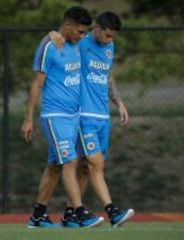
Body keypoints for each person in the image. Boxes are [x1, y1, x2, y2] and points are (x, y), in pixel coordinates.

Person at [21, 6, 104, 228]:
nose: (82, 36)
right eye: (78, 31)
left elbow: (100, 39)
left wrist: (53, 31)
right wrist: (28, 118)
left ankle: (38, 215)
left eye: (84, 32)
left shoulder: (78, 43)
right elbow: (36, 84)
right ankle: (79, 212)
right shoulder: (49, 46)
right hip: (54, 115)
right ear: (67, 26)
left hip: (74, 117)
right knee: (70, 162)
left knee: (55, 166)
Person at [50, 11, 135, 227]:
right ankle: (112, 212)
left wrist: (120, 103)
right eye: (106, 35)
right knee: (95, 163)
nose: (109, 41)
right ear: (96, 29)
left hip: (102, 116)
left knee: (87, 168)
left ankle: (70, 213)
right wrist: (51, 33)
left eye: (112, 37)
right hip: (83, 115)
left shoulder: (109, 48)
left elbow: (108, 78)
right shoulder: (81, 43)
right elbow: (59, 38)